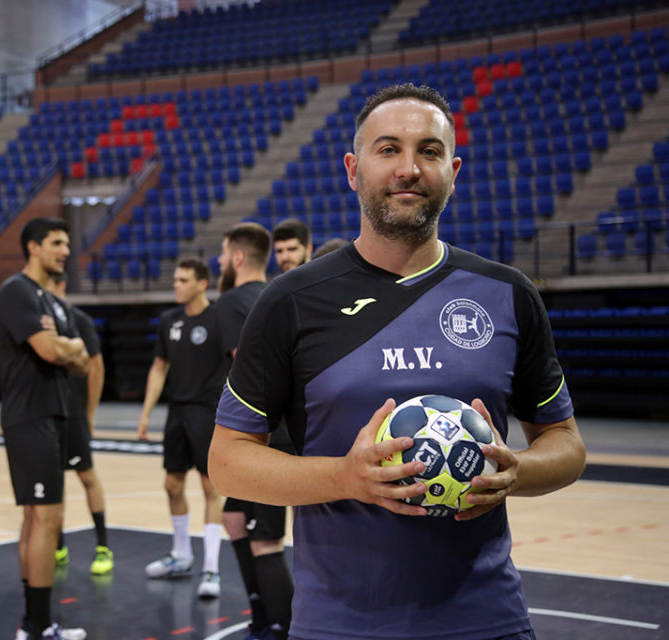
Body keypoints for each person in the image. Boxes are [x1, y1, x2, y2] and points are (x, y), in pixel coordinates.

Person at [209, 83, 587, 640]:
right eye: (387, 149)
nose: (409, 167)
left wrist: (513, 470)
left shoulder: (506, 293)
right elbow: (227, 462)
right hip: (339, 624)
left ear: (453, 170)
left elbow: (567, 444)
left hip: (487, 621)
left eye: (428, 151)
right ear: (352, 169)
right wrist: (345, 476)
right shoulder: (290, 301)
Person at [0, 217, 89, 640]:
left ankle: (36, 623)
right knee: (45, 519)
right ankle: (36, 626)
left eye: (67, 243)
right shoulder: (16, 291)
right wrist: (64, 347)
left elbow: (83, 357)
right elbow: (51, 351)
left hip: (51, 416)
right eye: (56, 243)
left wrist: (65, 347)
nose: (65, 250)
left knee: (40, 519)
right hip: (29, 417)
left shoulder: (53, 301)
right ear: (33, 247)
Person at [215, 223, 293, 640]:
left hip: (261, 436)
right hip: (272, 431)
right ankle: (263, 615)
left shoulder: (230, 303)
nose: (220, 261)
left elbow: (248, 370)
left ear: (239, 257)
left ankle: (284, 629)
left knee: (266, 539)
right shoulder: (279, 294)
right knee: (232, 517)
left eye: (224, 253)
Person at [137, 258, 226, 600]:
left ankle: (212, 569)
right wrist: (146, 414)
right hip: (177, 412)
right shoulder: (169, 321)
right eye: (175, 279)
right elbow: (159, 368)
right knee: (172, 484)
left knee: (210, 488)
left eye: (182, 280)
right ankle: (182, 555)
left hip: (208, 413)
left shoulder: (219, 318)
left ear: (202, 284)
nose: (176, 285)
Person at [46, 274, 113, 576]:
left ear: (61, 286)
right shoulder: (40, 322)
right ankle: (58, 545)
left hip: (73, 413)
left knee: (86, 475)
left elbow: (96, 367)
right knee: (53, 481)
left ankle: (102, 546)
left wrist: (89, 412)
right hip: (48, 413)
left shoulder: (78, 320)